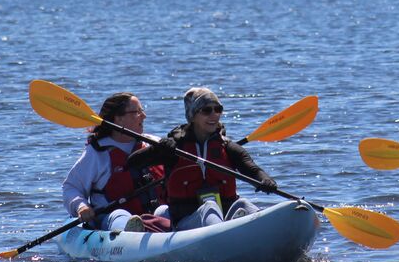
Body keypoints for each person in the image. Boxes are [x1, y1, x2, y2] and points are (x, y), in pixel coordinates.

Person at [125, 87, 278, 231]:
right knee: (209, 207)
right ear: (192, 116)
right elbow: (132, 163)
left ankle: (272, 232)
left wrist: (265, 180)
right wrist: (157, 149)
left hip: (223, 217)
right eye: (207, 110)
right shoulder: (174, 148)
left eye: (218, 109)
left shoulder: (227, 147)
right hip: (186, 222)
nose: (214, 115)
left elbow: (251, 169)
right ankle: (229, 233)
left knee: (242, 204)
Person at [61, 92, 165, 232]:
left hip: (155, 216)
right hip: (111, 220)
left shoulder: (154, 144)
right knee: (119, 215)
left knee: (164, 210)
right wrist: (81, 207)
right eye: (137, 112)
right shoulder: (98, 153)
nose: (144, 116)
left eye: (143, 111)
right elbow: (71, 187)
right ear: (118, 119)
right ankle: (132, 233)